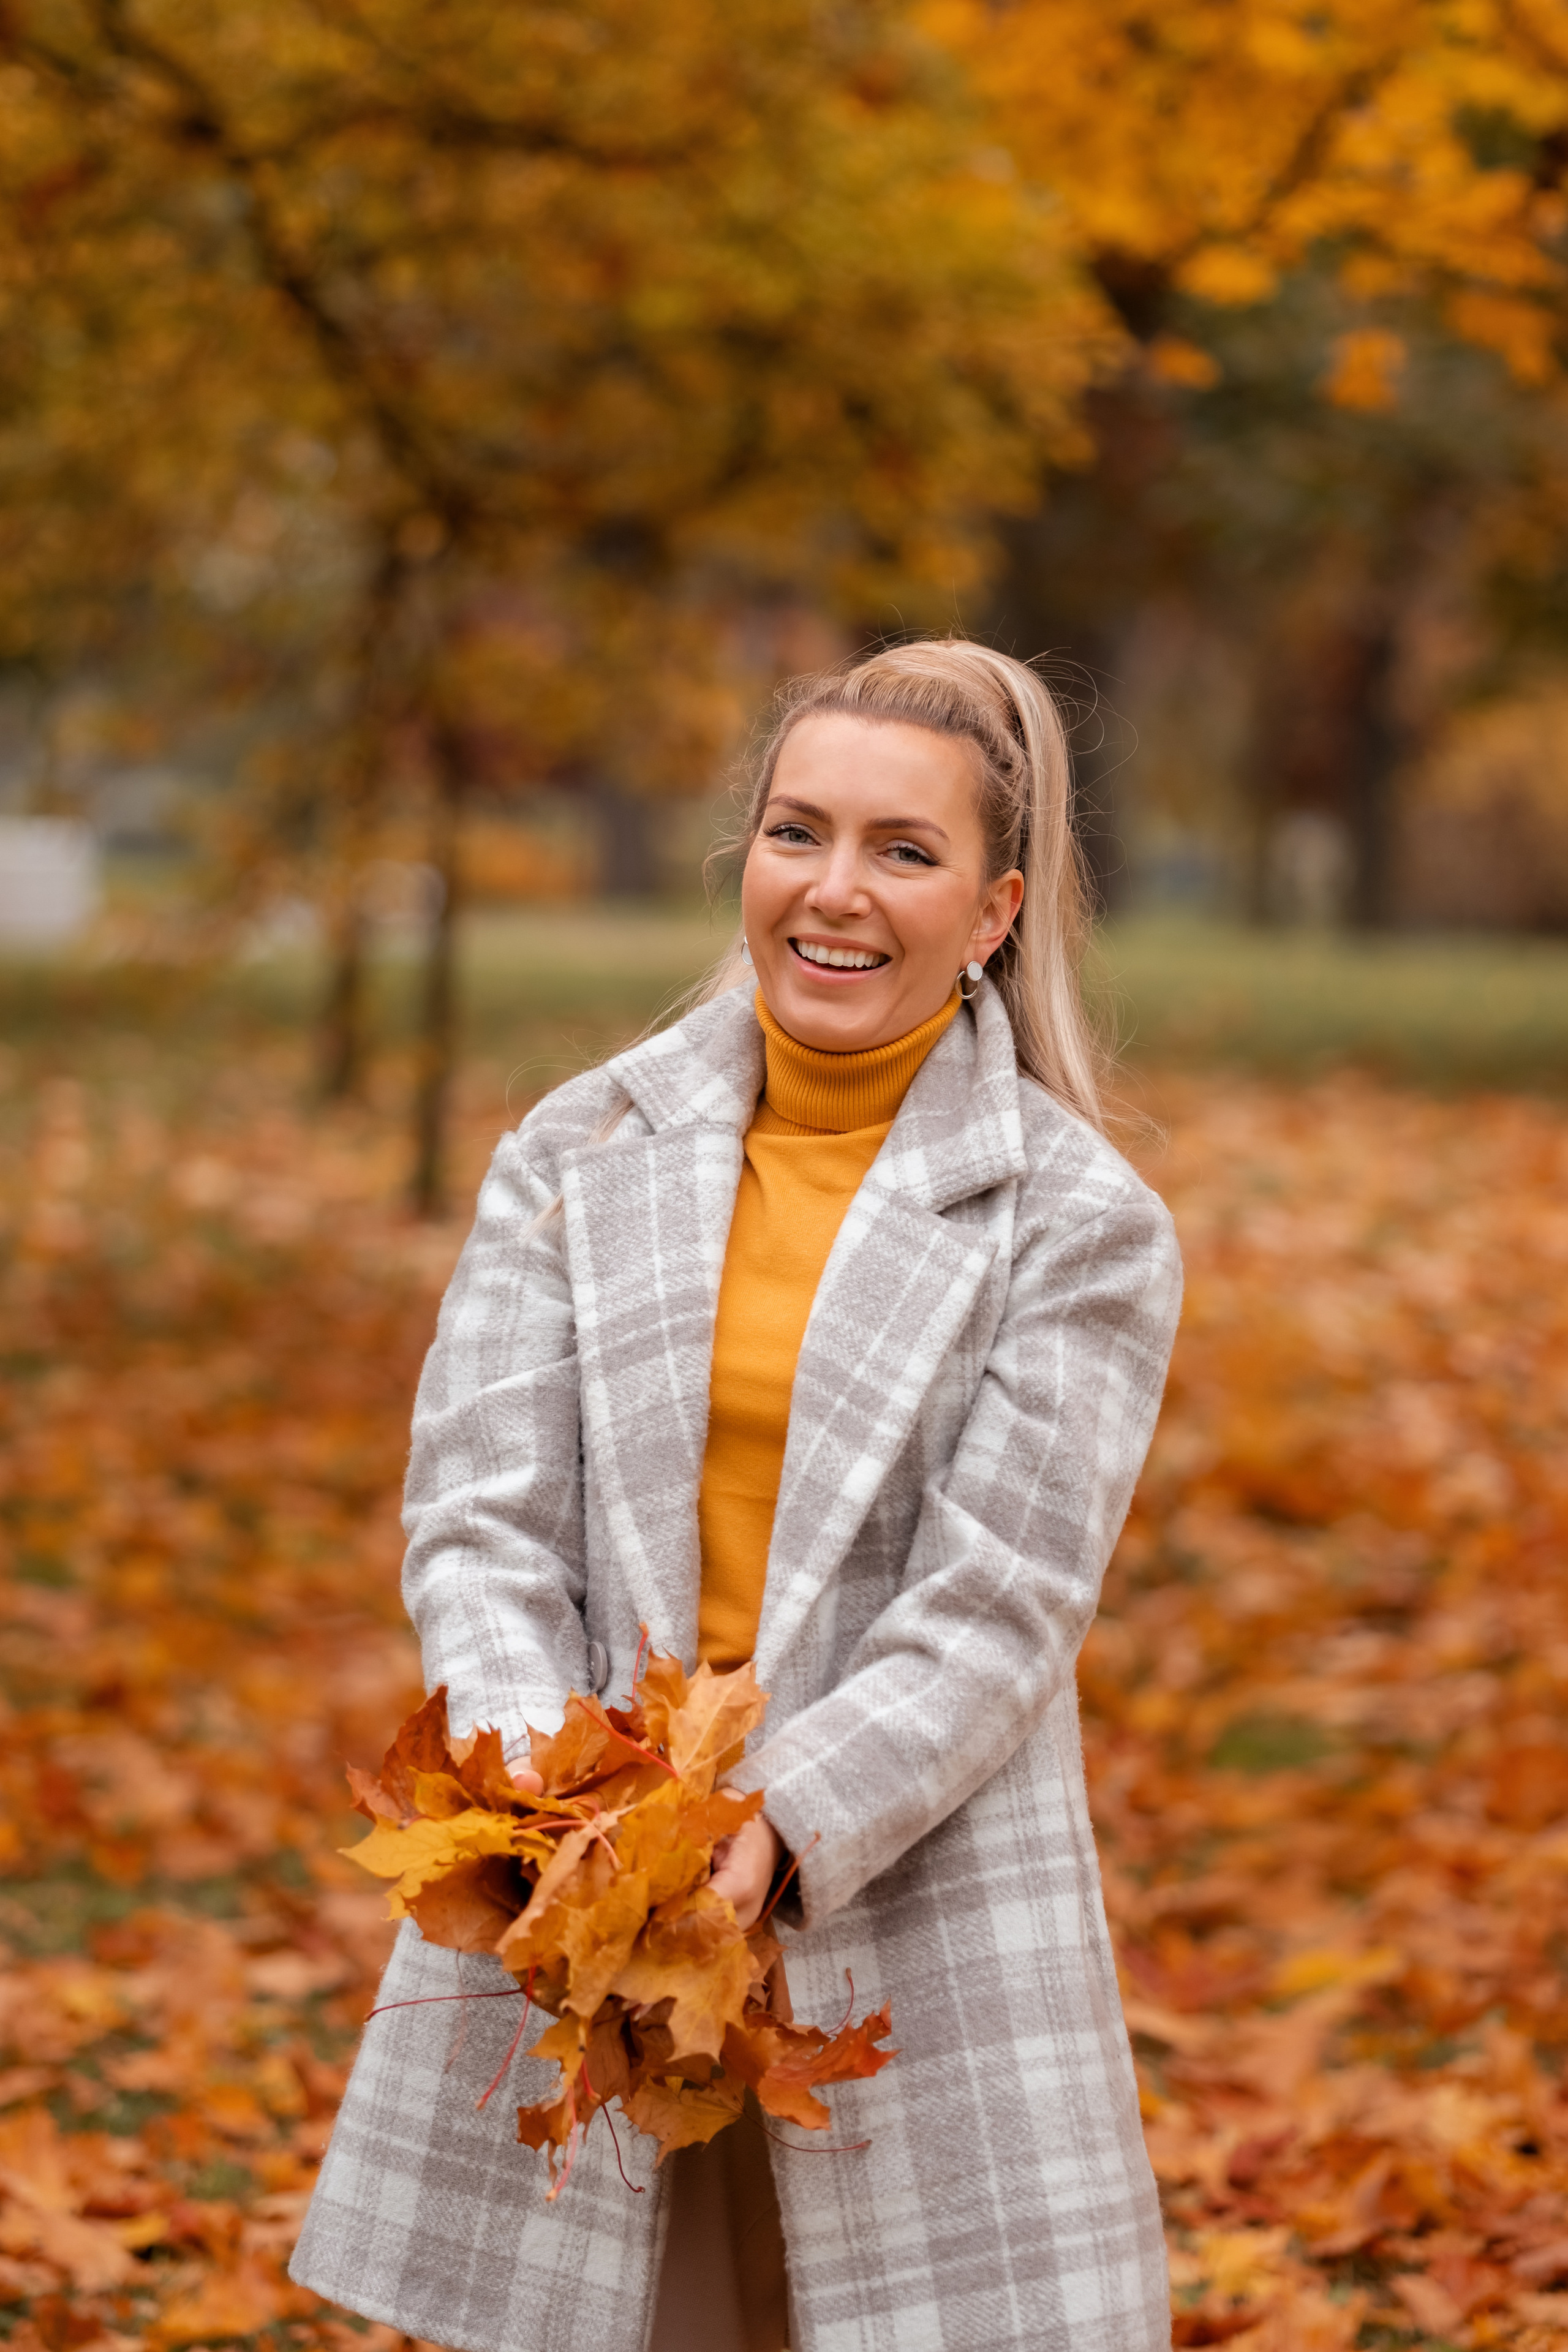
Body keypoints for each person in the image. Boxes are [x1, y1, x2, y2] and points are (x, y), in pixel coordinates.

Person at [290, 638, 1183, 2352]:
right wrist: (559, 1805)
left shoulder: (1077, 1223)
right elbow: (479, 1513)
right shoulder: (580, 1148)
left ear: (995, 910)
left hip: (901, 1888)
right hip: (579, 1880)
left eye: (903, 853)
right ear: (747, 857)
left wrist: (769, 1833)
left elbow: (998, 1606)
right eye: (798, 833)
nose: (834, 893)